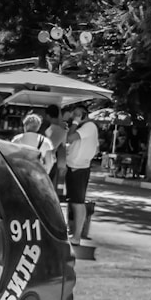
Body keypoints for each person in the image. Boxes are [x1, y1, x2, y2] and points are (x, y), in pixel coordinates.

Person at [64, 105, 99, 246]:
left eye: (77, 114)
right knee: (73, 201)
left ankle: (77, 235)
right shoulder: (88, 128)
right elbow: (96, 149)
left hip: (78, 168)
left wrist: (75, 123)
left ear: (83, 114)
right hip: (75, 166)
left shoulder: (89, 126)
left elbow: (69, 138)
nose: (74, 116)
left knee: (78, 202)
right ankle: (72, 231)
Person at [43, 104, 67, 189]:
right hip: (54, 161)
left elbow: (48, 147)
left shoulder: (50, 130)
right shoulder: (63, 131)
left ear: (48, 115)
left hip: (46, 160)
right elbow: (63, 146)